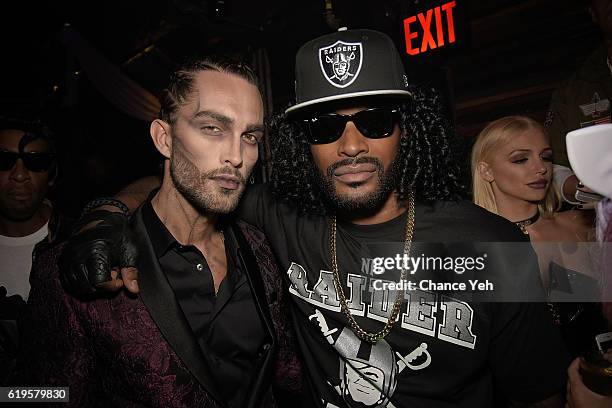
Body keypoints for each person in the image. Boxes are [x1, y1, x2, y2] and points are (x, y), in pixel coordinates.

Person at [61, 29, 568, 407]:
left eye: (374, 120)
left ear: (407, 130)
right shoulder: (280, 215)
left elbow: (540, 397)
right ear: (303, 144)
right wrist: (104, 214)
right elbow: (184, 184)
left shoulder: (495, 247)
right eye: (325, 127)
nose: (351, 145)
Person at [9, 56, 301, 407]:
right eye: (212, 128)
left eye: (250, 136)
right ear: (164, 138)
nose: (236, 156)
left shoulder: (260, 249)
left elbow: (286, 377)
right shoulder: (78, 270)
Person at [471, 115, 604, 357]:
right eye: (521, 159)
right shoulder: (481, 249)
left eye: (546, 157)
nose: (541, 168)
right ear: (486, 171)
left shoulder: (579, 224)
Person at [0, 117, 70, 384]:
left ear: (52, 172)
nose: (19, 174)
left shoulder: (78, 242)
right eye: (3, 161)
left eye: (36, 161)